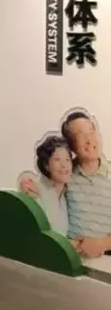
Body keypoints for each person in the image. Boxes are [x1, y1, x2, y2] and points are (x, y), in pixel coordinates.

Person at [22, 111, 111, 258]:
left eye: (92, 131)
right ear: (72, 146)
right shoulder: (67, 174)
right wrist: (24, 180)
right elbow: (41, 181)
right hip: (71, 258)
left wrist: (101, 244)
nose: (89, 139)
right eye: (81, 135)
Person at [19, 135, 73, 236]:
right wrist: (23, 180)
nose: (64, 165)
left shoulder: (67, 194)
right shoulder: (35, 190)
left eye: (67, 159)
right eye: (57, 159)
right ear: (46, 165)